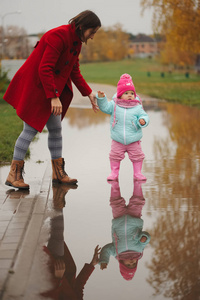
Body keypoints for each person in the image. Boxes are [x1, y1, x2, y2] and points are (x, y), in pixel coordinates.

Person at [3, 10, 101, 190]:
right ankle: (13, 174)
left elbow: (74, 70)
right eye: (92, 32)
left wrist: (89, 93)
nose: (93, 37)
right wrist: (54, 97)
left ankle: (58, 173)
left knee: (56, 129)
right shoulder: (58, 35)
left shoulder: (76, 41)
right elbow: (45, 68)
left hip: (50, 88)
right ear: (82, 27)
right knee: (30, 129)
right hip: (38, 87)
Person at [41, 184, 101, 299]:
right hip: (62, 267)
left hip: (50, 276)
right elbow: (79, 286)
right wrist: (92, 264)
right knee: (57, 235)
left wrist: (58, 279)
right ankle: (57, 191)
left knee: (36, 240)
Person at [96, 73, 149, 181]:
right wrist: (102, 99)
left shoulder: (137, 107)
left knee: (137, 156)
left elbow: (144, 115)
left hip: (133, 139)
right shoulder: (114, 105)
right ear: (120, 94)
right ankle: (114, 173)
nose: (130, 95)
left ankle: (137, 173)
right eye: (126, 93)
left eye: (131, 93)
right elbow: (105, 108)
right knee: (115, 156)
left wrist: (142, 121)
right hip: (118, 139)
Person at [99, 180, 151, 281]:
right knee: (138, 201)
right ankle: (138, 181)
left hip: (118, 219)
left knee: (115, 202)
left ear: (122, 264)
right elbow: (145, 238)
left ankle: (114, 181)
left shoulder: (116, 252)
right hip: (134, 218)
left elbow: (106, 250)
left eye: (128, 265)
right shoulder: (139, 250)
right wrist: (144, 238)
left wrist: (104, 260)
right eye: (134, 264)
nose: (131, 262)